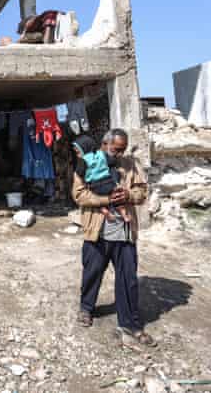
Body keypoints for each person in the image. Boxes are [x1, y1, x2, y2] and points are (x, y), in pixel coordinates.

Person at [72, 129, 156, 349]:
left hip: (124, 232)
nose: (120, 154)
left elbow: (142, 191)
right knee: (92, 271)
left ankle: (129, 323)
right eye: (116, 149)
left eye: (123, 150)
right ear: (104, 144)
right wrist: (105, 199)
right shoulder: (87, 161)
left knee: (128, 278)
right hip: (97, 230)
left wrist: (128, 195)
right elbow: (79, 194)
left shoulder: (130, 164)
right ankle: (86, 308)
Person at [72, 135, 129, 223]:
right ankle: (124, 214)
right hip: (108, 182)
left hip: (94, 185)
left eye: (78, 152)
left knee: (96, 200)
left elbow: (79, 172)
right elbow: (112, 161)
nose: (77, 154)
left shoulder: (83, 160)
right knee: (118, 197)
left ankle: (104, 211)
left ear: (84, 148)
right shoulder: (101, 154)